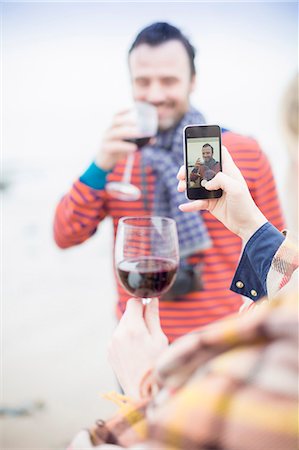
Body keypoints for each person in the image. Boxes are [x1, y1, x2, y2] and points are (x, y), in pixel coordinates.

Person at [53, 22, 285, 343]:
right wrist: (98, 166)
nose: (156, 94)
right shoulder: (116, 158)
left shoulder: (243, 152)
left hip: (222, 343)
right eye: (143, 82)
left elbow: (277, 255)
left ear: (193, 81)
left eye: (169, 80)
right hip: (140, 344)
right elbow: (65, 235)